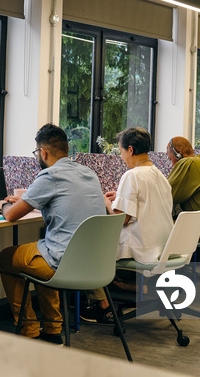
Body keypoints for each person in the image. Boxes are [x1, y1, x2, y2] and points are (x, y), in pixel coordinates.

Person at [0, 123, 106, 344]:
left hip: (62, 262)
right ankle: (52, 329)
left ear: (43, 152)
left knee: (6, 258)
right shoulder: (88, 173)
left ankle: (30, 330)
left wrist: (1, 205)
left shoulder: (50, 176)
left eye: (37, 152)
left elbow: (11, 216)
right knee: (42, 249)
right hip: (94, 262)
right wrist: (29, 200)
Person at [80, 127, 173, 323]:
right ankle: (131, 291)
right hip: (162, 245)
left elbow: (120, 219)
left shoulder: (132, 176)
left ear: (130, 150)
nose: (121, 157)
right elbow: (145, 203)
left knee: (86, 247)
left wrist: (105, 201)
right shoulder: (160, 175)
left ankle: (101, 306)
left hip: (142, 247)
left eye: (121, 152)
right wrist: (120, 197)